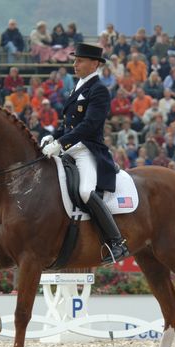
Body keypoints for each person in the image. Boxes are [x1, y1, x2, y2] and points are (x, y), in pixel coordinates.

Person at [40, 43, 128, 263]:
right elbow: (69, 124)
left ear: (94, 64)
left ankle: (116, 242)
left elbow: (89, 125)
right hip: (69, 147)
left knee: (86, 191)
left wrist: (60, 143)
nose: (75, 64)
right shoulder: (78, 87)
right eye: (75, 60)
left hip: (86, 149)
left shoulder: (99, 90)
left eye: (79, 60)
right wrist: (53, 136)